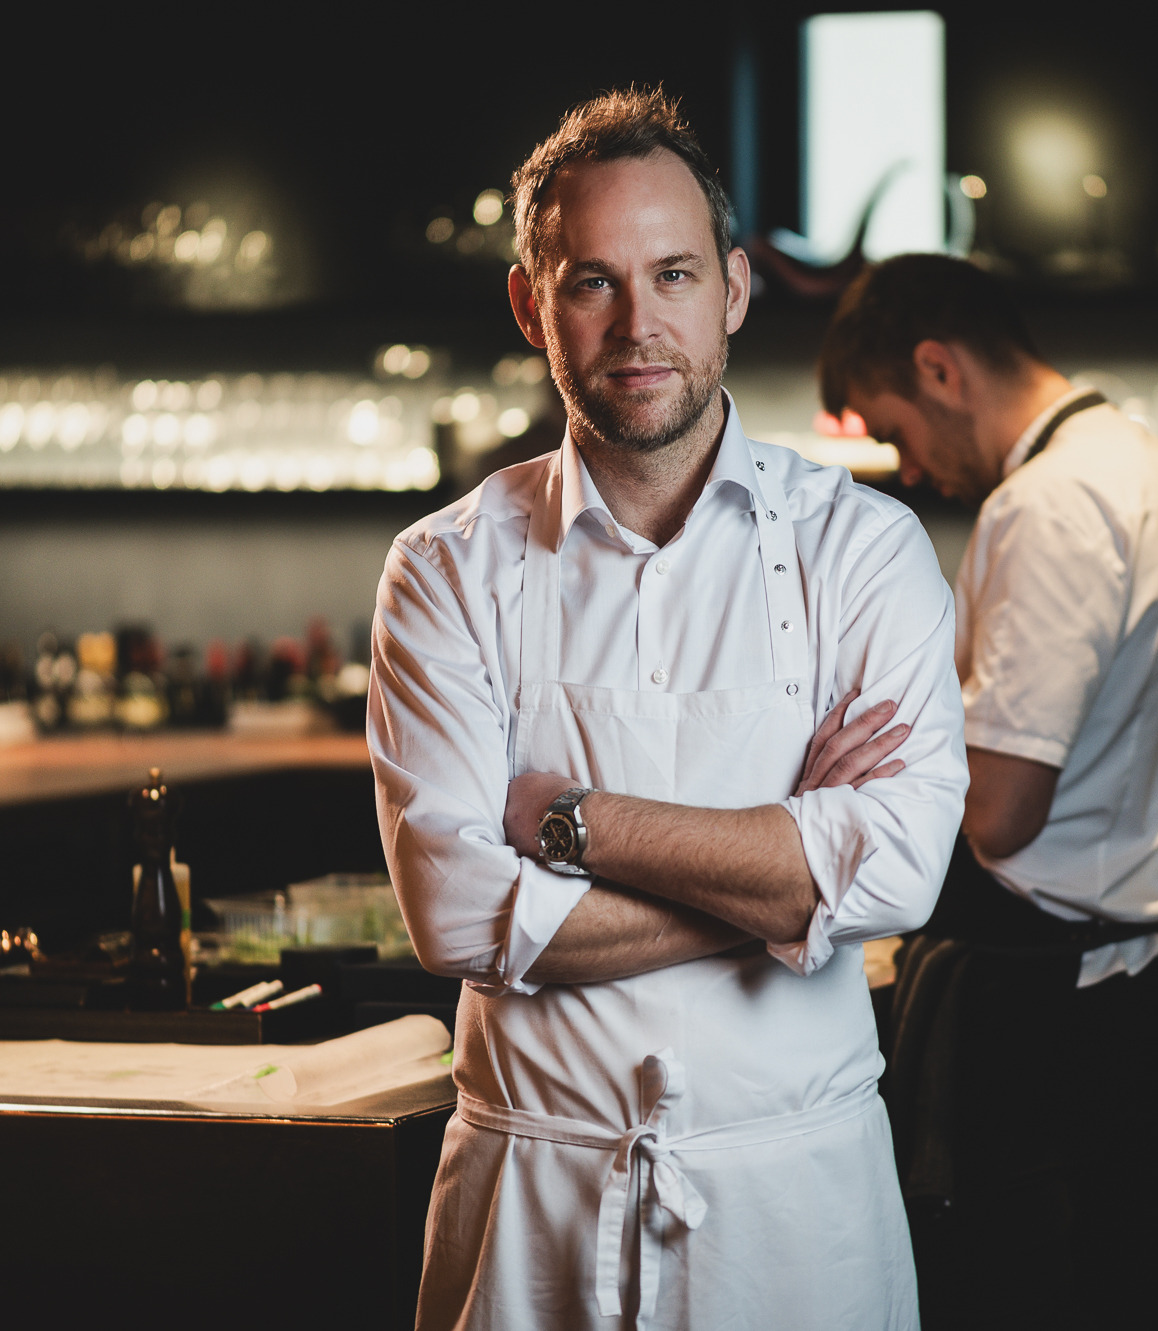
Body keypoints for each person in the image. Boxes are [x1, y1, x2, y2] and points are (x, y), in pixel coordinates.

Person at [368, 90, 967, 1331]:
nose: (638, 325)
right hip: (535, 1199)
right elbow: (459, 910)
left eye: (675, 273)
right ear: (532, 305)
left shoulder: (862, 550)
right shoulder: (443, 568)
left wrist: (574, 823)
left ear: (734, 290)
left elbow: (901, 870)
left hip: (796, 1204)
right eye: (592, 281)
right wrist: (788, 868)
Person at [818, 253, 1158, 1328]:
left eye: (895, 427)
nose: (909, 466)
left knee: (1016, 1293)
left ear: (937, 368)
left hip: (1034, 1014)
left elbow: (1000, 810)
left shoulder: (1045, 504)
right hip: (1133, 982)